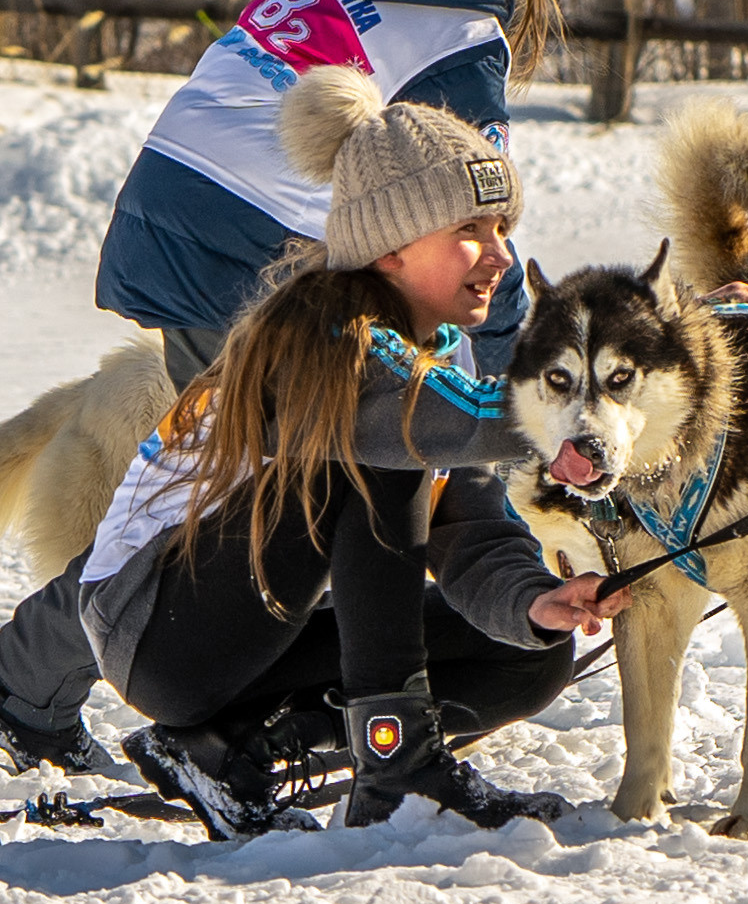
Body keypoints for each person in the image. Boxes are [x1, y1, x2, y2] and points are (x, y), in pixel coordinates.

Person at [0, 0, 579, 774]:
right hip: (253, 246)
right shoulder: (457, 28)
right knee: (293, 474)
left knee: (245, 481)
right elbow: (471, 214)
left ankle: (45, 676)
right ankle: (92, 688)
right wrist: (519, 377)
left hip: (171, 204)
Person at [80, 70, 626, 838]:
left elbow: (466, 521)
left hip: (251, 627)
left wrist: (532, 601)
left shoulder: (436, 361)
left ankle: (230, 749)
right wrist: (567, 417)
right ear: (390, 247)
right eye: (471, 230)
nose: (499, 256)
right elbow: (434, 427)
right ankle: (396, 769)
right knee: (380, 455)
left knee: (528, 652)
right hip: (156, 627)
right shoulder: (322, 338)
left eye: (503, 229)